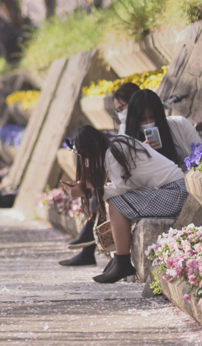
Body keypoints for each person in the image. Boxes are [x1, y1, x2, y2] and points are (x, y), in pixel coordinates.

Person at [61, 125, 188, 283]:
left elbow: (120, 189)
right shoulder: (115, 145)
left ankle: (122, 262)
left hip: (175, 193)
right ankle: (119, 261)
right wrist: (86, 188)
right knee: (115, 200)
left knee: (116, 202)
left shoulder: (114, 152)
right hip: (171, 191)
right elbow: (123, 187)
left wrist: (87, 192)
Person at [58, 81, 141, 267]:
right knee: (98, 189)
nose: (121, 113)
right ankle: (94, 249)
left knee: (106, 196)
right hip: (130, 178)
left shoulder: (149, 124)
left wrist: (90, 190)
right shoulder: (124, 128)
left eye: (123, 107)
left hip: (142, 183)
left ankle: (101, 251)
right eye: (118, 109)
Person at [121, 89, 201, 167]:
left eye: (152, 117)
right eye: (142, 119)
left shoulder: (180, 124)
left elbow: (201, 154)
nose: (149, 123)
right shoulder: (127, 143)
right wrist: (142, 156)